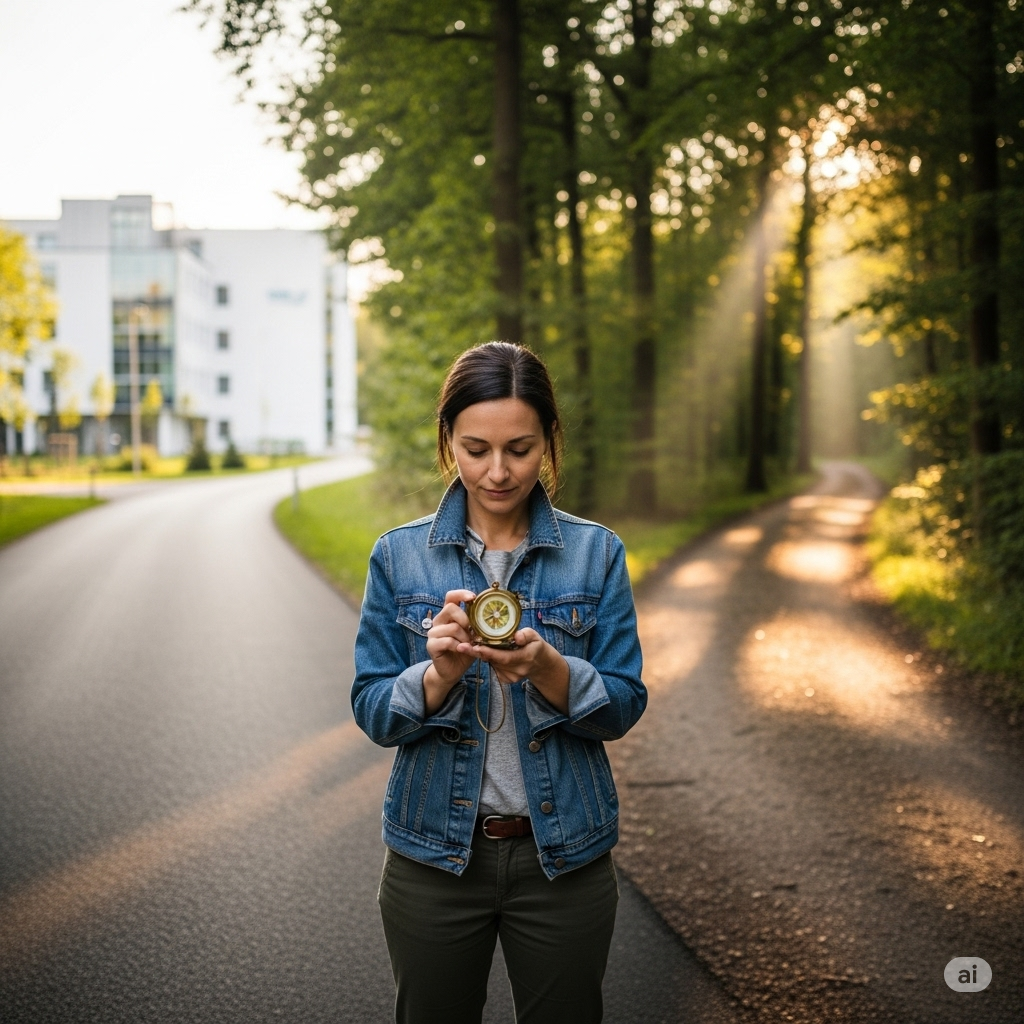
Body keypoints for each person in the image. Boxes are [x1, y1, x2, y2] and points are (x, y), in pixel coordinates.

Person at [352, 342, 646, 1024]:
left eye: (520, 449)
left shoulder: (596, 553)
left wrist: (549, 670)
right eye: (475, 449)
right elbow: (373, 711)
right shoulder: (398, 555)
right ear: (447, 440)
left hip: (564, 859)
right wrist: (438, 675)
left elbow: (624, 705)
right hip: (432, 858)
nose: (497, 472)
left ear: (549, 441)